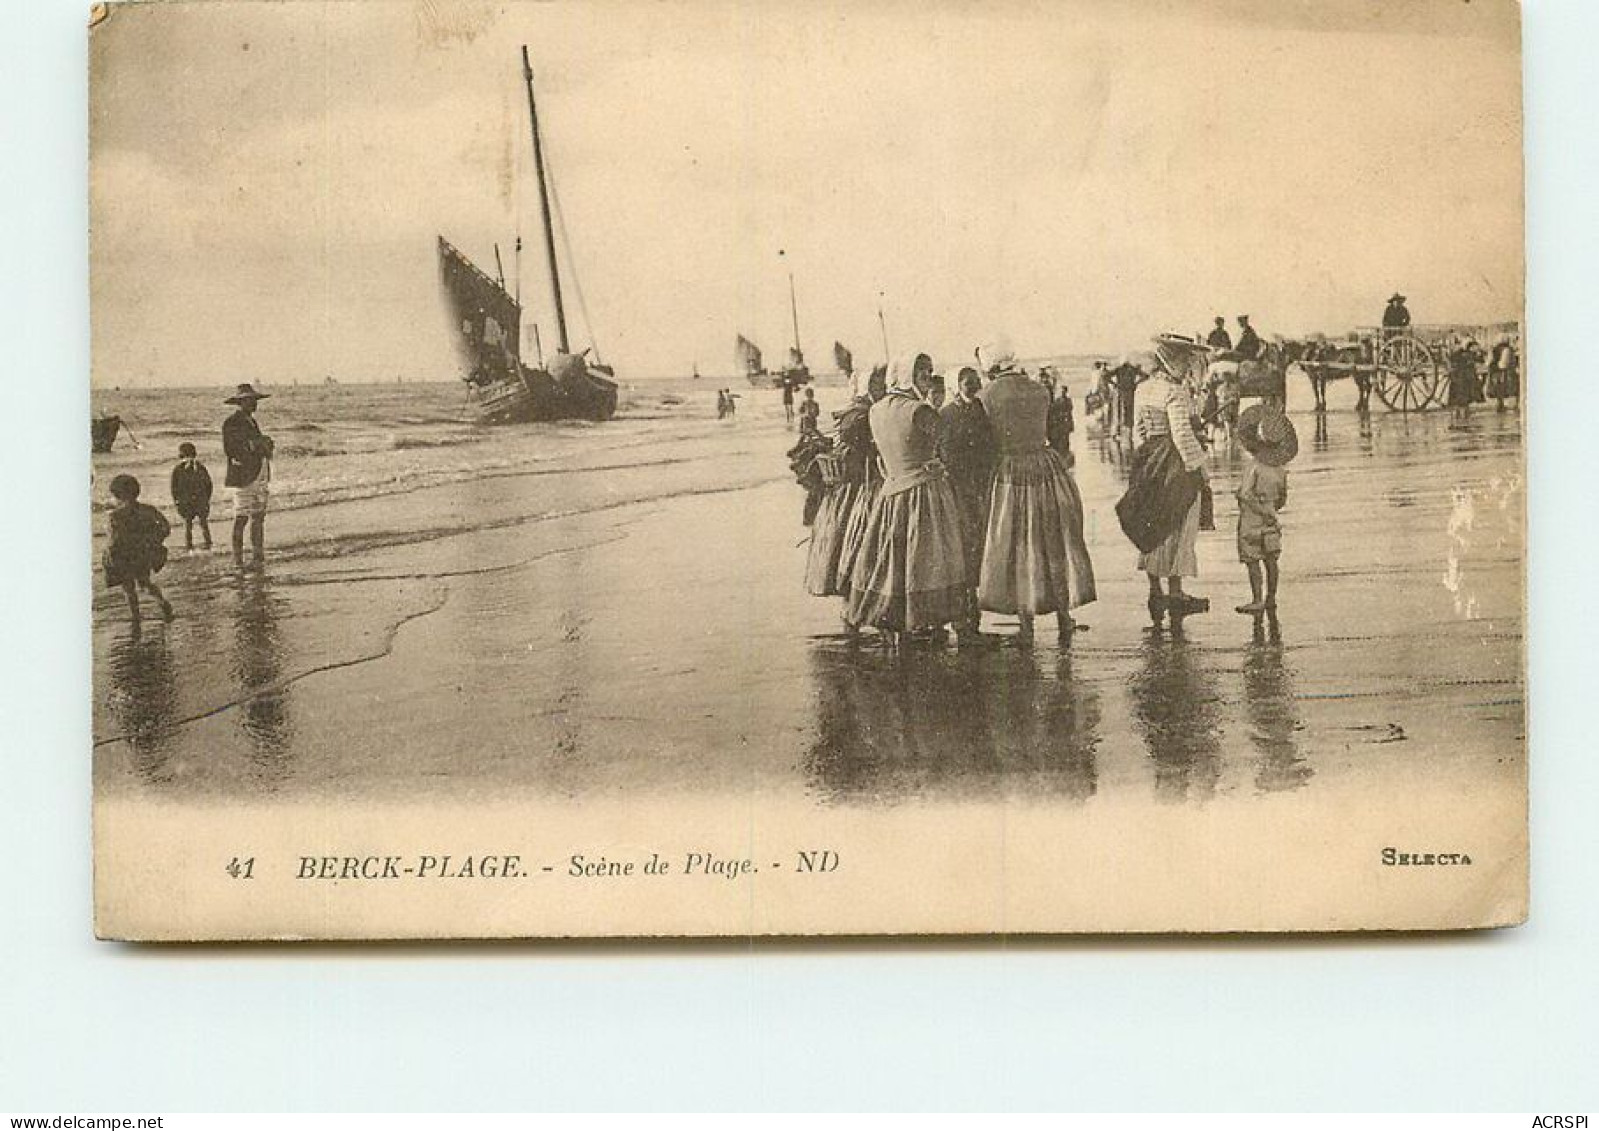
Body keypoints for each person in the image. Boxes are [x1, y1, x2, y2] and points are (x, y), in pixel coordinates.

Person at [843, 353, 968, 648]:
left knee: (892, 559)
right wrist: (940, 465)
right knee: (926, 559)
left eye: (929, 371)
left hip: (891, 492)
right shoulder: (920, 411)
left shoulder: (877, 409)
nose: (927, 376)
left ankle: (892, 622)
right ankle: (922, 618)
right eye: (922, 372)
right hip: (924, 493)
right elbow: (947, 445)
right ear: (907, 375)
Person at [977, 344, 1096, 644]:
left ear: (990, 366)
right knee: (1053, 542)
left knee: (1017, 544)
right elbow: (1055, 434)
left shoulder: (986, 395)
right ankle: (1064, 617)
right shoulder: (1039, 389)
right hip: (1047, 467)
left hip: (1012, 471)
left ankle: (1026, 623)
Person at [1115, 334, 1211, 622]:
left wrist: (1143, 460)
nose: (1187, 366)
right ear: (1173, 361)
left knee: (1152, 521)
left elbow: (1138, 431)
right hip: (1174, 462)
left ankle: (1155, 591)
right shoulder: (1175, 391)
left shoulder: (1142, 389)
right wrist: (1200, 468)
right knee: (1178, 522)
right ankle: (1176, 592)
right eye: (1184, 360)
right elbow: (1182, 434)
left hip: (1148, 461)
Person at [805, 365, 884, 612]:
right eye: (876, 385)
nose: (881, 390)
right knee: (861, 548)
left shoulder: (859, 412)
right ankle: (856, 609)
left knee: (856, 549)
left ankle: (855, 609)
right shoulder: (861, 415)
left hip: (854, 489)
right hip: (860, 489)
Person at [938, 366, 996, 641]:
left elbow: (990, 446)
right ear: (956, 384)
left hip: (976, 487)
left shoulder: (980, 410)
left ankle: (970, 617)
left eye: (975, 381)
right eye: (967, 382)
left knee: (974, 549)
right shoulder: (946, 414)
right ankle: (962, 619)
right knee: (960, 549)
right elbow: (944, 451)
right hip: (956, 489)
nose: (972, 385)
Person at [1233, 399, 1298, 615]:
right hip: (1272, 521)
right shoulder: (1280, 470)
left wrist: (1253, 505)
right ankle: (1271, 597)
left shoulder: (1254, 467)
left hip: (1252, 521)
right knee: (1272, 560)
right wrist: (1271, 510)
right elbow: (1282, 498)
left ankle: (1257, 599)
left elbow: (1246, 494)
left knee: (1253, 561)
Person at [102, 473, 173, 634]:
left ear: (118, 496)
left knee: (129, 589)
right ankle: (162, 602)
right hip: (142, 554)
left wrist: (109, 559)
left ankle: (136, 616)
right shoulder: (147, 509)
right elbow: (166, 527)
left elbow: (113, 541)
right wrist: (154, 541)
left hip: (124, 556)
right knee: (145, 583)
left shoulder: (115, 516)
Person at [221, 383, 274, 567]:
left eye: (254, 400)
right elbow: (231, 449)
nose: (254, 404)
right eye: (250, 401)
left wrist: (262, 444)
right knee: (242, 517)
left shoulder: (250, 421)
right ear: (241, 402)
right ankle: (238, 559)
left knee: (258, 516)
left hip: (258, 473)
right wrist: (258, 444)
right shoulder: (232, 422)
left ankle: (257, 555)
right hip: (243, 476)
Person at [170, 442, 214, 550]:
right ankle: (201, 544)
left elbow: (174, 487)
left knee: (193, 524)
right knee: (198, 524)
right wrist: (207, 498)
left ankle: (195, 545)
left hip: (191, 500)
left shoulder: (180, 469)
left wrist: (177, 500)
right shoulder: (199, 467)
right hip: (194, 500)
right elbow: (209, 484)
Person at [1447, 338, 1482, 423]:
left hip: (1458, 379)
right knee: (1464, 399)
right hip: (1464, 380)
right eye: (1473, 347)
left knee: (1459, 400)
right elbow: (1478, 360)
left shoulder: (1460, 354)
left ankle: (1458, 417)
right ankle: (1464, 418)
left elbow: (1451, 361)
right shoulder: (1468, 355)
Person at [1486, 336, 1519, 410]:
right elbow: (1504, 363)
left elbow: (1489, 360)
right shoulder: (1507, 349)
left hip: (1495, 371)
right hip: (1503, 371)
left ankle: (1500, 404)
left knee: (1498, 388)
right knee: (1505, 387)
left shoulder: (1494, 349)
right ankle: (1507, 404)